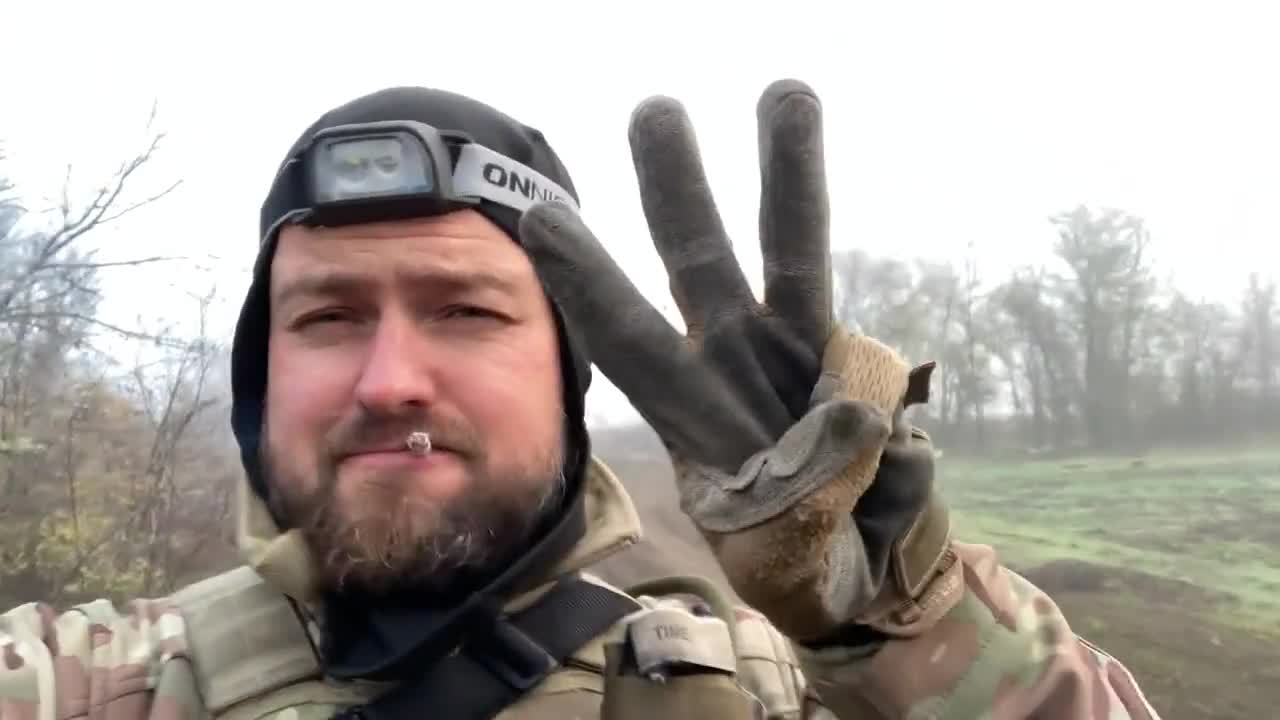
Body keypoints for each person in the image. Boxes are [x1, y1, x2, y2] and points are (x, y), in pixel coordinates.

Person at [0, 79, 1163, 720]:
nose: (389, 376)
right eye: (326, 317)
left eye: (464, 310)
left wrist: (906, 625)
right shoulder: (86, 681)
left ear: (570, 375)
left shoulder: (761, 697)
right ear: (262, 377)